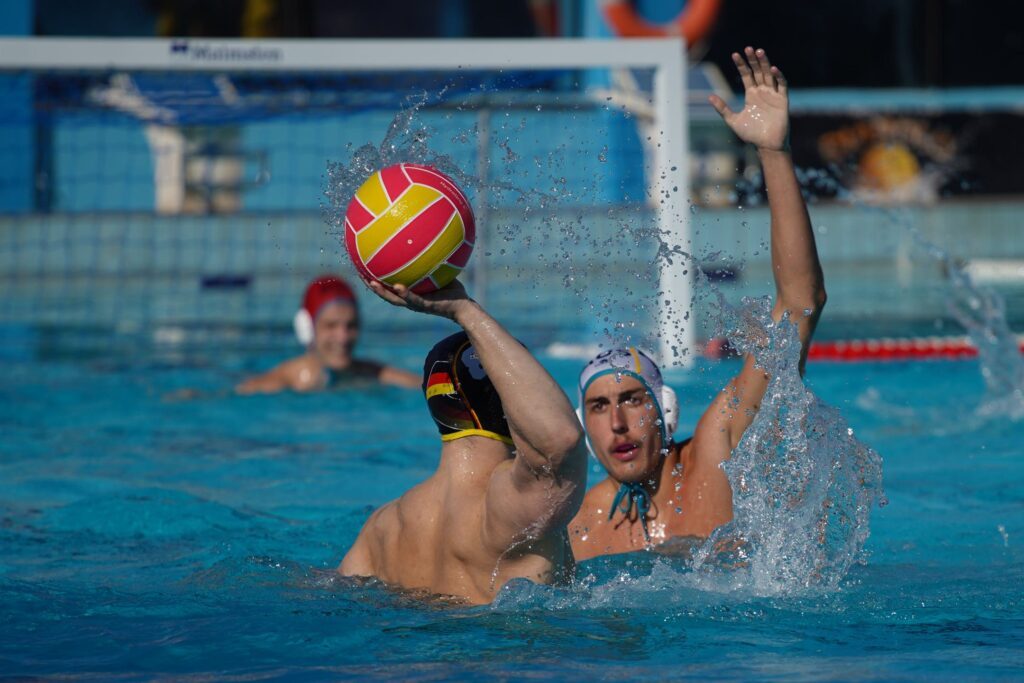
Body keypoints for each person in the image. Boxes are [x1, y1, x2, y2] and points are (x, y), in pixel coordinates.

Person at [569, 47, 827, 561]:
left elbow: (800, 303)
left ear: (666, 411)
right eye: (600, 407)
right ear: (583, 425)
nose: (617, 423)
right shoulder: (579, 530)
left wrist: (774, 152)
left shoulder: (714, 450)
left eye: (633, 400)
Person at [339, 278, 587, 604]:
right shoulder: (507, 506)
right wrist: (464, 310)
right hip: (510, 653)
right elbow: (561, 439)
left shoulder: (383, 528)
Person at [236, 274, 420, 393]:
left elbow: (423, 387)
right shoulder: (276, 384)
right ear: (306, 328)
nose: (343, 337)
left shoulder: (371, 374)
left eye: (351, 326)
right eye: (330, 326)